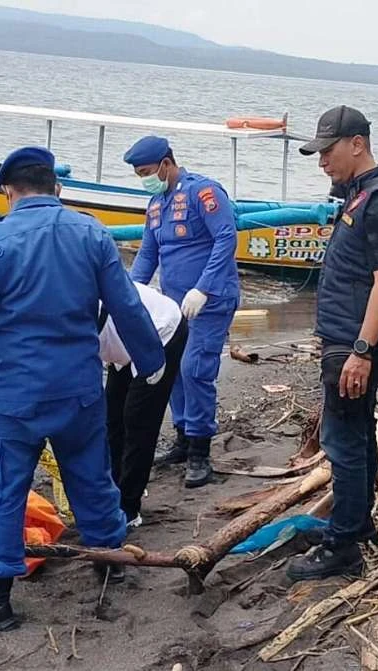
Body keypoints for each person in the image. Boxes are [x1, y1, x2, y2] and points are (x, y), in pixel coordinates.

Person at [0, 147, 165, 631]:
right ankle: (111, 563)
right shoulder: (91, 232)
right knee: (92, 479)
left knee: (4, 492)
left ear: (7, 191)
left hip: (17, 396)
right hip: (79, 388)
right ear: (56, 188)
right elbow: (125, 303)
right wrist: (151, 360)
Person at [287, 106, 378, 581]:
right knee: (357, 433)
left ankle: (341, 545)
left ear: (357, 144)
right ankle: (356, 524)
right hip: (348, 337)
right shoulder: (359, 195)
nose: (322, 160)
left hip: (354, 343)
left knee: (341, 441)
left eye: (328, 150)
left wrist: (362, 351)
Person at [124, 136, 240, 488]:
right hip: (172, 305)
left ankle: (200, 453)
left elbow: (226, 237)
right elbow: (148, 254)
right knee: (170, 370)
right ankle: (183, 435)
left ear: (166, 163)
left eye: (147, 171)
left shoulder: (202, 192)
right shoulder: (156, 204)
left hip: (211, 298)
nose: (145, 178)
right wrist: (129, 294)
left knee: (195, 370)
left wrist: (203, 287)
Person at [101, 281, 187, 529]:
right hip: (121, 338)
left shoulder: (80, 308)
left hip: (159, 331)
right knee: (112, 418)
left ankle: (129, 507)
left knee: (138, 420)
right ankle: (113, 489)